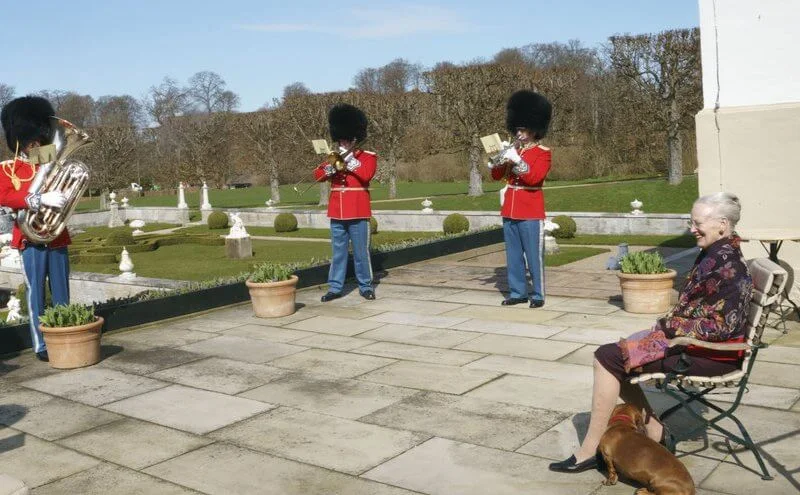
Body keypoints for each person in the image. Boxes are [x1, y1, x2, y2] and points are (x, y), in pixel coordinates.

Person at [549, 192, 753, 473]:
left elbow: (722, 327)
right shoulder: (718, 254)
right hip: (695, 346)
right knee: (615, 355)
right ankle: (653, 429)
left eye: (697, 223)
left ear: (722, 224)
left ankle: (592, 449)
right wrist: (663, 329)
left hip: (710, 355)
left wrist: (669, 329)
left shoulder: (729, 267)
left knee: (607, 357)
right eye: (690, 222)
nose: (691, 228)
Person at [0, 96, 70, 362]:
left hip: (57, 235)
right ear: (19, 139)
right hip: (29, 239)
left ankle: (65, 332)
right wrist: (39, 199)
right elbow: (4, 195)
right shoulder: (8, 168)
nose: (36, 144)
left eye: (39, 138)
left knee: (62, 290)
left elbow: (68, 177)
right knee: (36, 293)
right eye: (31, 139)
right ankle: (41, 344)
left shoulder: (49, 161)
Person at [490, 90, 553, 308]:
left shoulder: (543, 153)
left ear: (535, 129)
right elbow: (496, 176)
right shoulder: (514, 149)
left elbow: (535, 178)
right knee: (513, 255)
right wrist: (500, 161)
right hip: (510, 209)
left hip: (531, 210)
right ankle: (518, 292)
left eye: (523, 128)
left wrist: (517, 160)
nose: (519, 132)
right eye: (517, 128)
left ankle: (538, 294)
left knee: (534, 257)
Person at [313, 103, 377, 302]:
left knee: (361, 253)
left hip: (358, 211)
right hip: (337, 212)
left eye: (347, 140)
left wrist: (349, 162)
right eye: (341, 140)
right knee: (338, 253)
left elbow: (366, 175)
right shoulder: (333, 158)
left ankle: (366, 285)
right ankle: (335, 287)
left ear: (354, 139)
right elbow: (317, 175)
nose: (344, 143)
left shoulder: (367, 157)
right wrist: (329, 170)